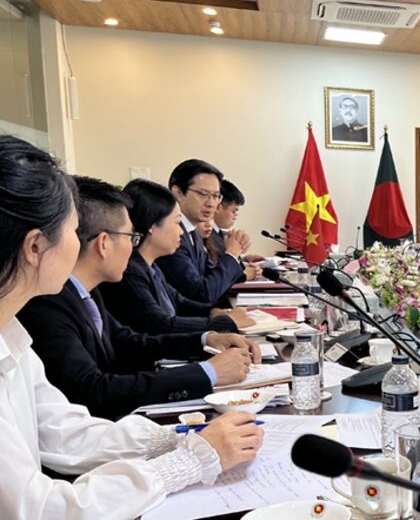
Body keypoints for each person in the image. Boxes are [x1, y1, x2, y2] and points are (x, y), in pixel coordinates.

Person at [0, 135, 262, 517]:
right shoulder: (38, 311)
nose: (83, 243)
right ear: (36, 246)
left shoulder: (12, 334)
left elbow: (65, 433)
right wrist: (191, 460)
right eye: (74, 231)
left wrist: (178, 439)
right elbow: (42, 509)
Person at [19, 176, 260, 420]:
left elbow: (129, 342)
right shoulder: (48, 304)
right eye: (130, 237)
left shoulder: (85, 292)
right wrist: (207, 372)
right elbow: (92, 389)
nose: (133, 247)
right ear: (103, 243)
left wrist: (206, 339)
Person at [101, 179, 257, 336]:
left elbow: (180, 302)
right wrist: (226, 322)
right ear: (152, 226)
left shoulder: (151, 266)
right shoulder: (130, 271)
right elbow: (161, 325)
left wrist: (213, 312)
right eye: (177, 223)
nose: (181, 232)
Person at [157, 159, 249, 303]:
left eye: (216, 196)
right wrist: (231, 254)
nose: (211, 203)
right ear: (178, 193)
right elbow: (202, 293)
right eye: (203, 194)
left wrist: (236, 256)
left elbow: (211, 277)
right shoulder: (171, 235)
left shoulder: (193, 231)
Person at [211, 179, 264, 266]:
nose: (236, 216)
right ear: (218, 207)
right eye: (234, 211)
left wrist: (243, 259)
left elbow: (221, 258)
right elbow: (215, 267)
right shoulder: (206, 234)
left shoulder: (220, 233)